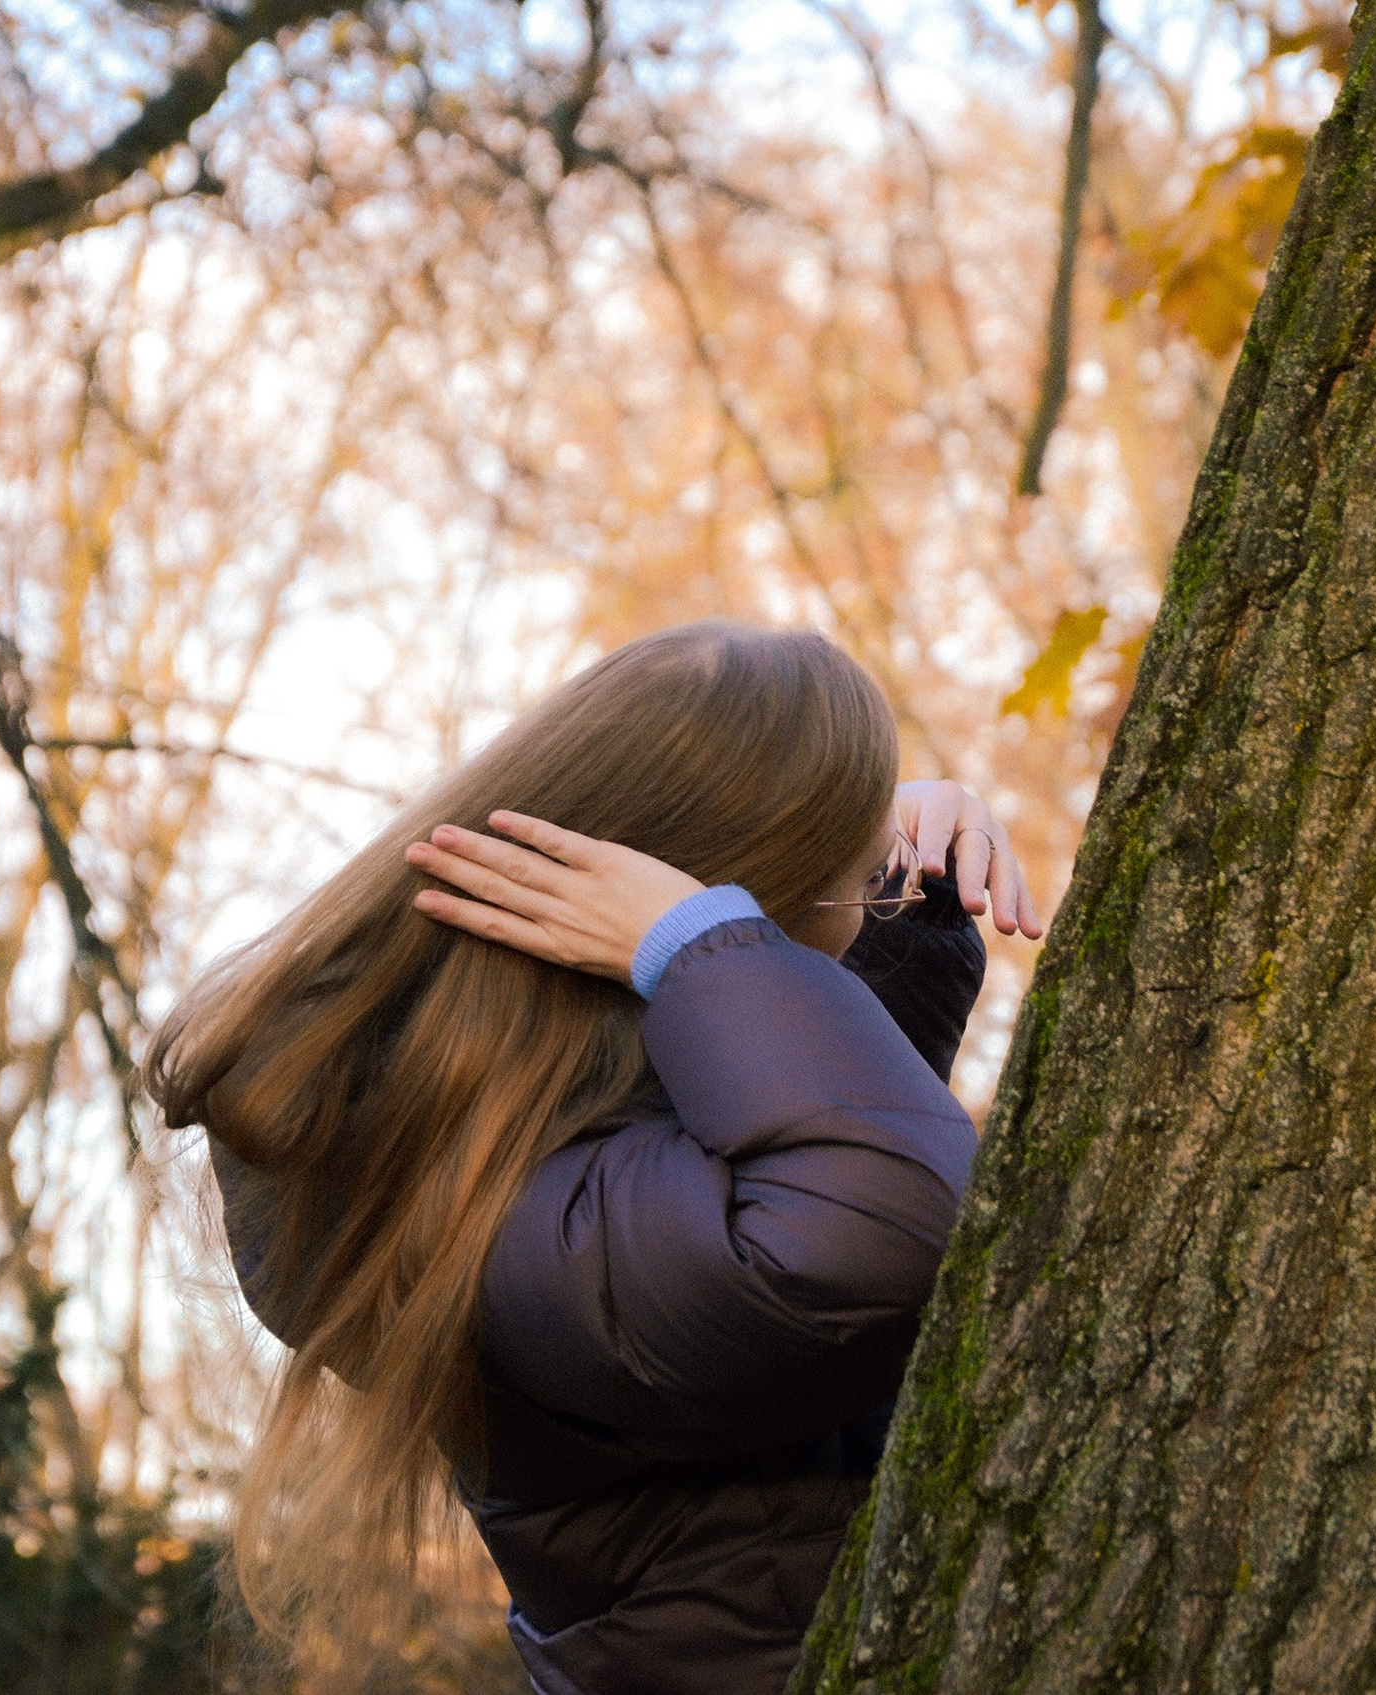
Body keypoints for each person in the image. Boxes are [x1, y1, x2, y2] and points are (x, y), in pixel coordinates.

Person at [144, 621, 1039, 1694]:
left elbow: (776, 1147)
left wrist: (891, 887)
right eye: (842, 879)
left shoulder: (515, 1125)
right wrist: (709, 946)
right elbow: (862, 1242)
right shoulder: (493, 1213)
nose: (864, 900)